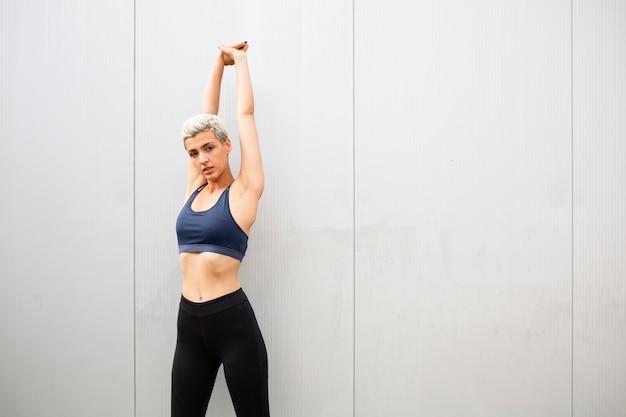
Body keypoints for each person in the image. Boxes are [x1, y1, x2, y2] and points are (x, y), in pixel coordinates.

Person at [172, 41, 269, 417]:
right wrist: (216, 61)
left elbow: (244, 114)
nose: (201, 159)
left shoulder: (244, 192)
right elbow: (205, 114)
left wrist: (239, 62)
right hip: (188, 326)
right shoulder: (193, 188)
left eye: (209, 149)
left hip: (231, 324)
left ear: (227, 146)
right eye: (193, 153)